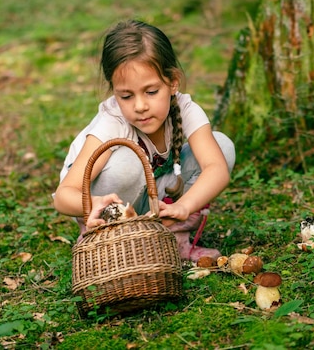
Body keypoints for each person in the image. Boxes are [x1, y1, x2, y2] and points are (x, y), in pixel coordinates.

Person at [53, 19, 235, 262]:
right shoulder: (112, 123)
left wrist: (184, 206)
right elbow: (64, 195)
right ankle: (109, 245)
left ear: (172, 82)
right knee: (128, 162)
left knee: (222, 146)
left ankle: (171, 240)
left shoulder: (185, 108)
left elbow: (217, 170)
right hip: (110, 202)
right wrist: (94, 203)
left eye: (151, 92)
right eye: (126, 96)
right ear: (114, 91)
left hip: (153, 201)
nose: (140, 106)